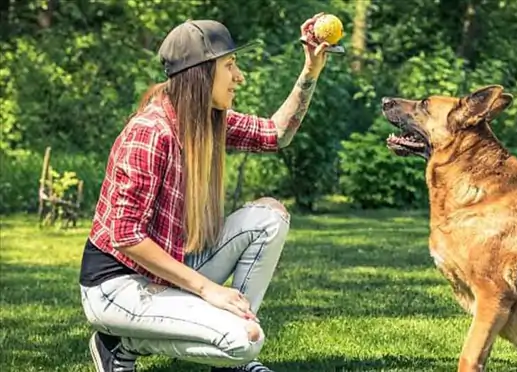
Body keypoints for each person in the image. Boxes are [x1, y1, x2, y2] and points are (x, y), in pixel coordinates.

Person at [78, 14, 331, 372]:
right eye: (229, 66)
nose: (238, 77)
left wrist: (311, 71)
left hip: (168, 267)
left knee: (269, 217)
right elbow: (126, 236)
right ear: (201, 73)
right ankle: (118, 343)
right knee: (244, 342)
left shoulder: (206, 121)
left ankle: (238, 342)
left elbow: (276, 133)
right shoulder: (150, 133)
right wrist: (208, 289)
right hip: (117, 286)